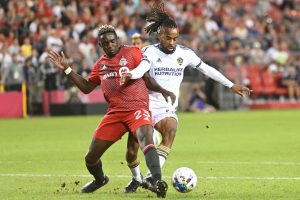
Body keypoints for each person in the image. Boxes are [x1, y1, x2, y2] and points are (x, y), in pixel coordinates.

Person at [120, 3, 252, 193]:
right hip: (144, 104)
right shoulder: (149, 51)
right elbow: (141, 69)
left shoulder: (185, 54)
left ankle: (150, 178)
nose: (172, 42)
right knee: (132, 150)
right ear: (159, 35)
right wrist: (131, 73)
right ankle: (136, 178)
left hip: (166, 106)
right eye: (168, 38)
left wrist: (231, 85)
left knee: (171, 130)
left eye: (175, 38)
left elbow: (207, 68)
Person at [47, 24, 168, 198]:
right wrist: (67, 69)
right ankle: (100, 179)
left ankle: (157, 181)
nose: (110, 45)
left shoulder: (133, 52)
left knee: (146, 140)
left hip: (137, 109)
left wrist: (163, 90)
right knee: (90, 158)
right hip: (115, 114)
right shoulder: (100, 65)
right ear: (101, 45)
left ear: (117, 40)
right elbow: (87, 88)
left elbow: (147, 75)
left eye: (112, 41)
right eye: (106, 43)